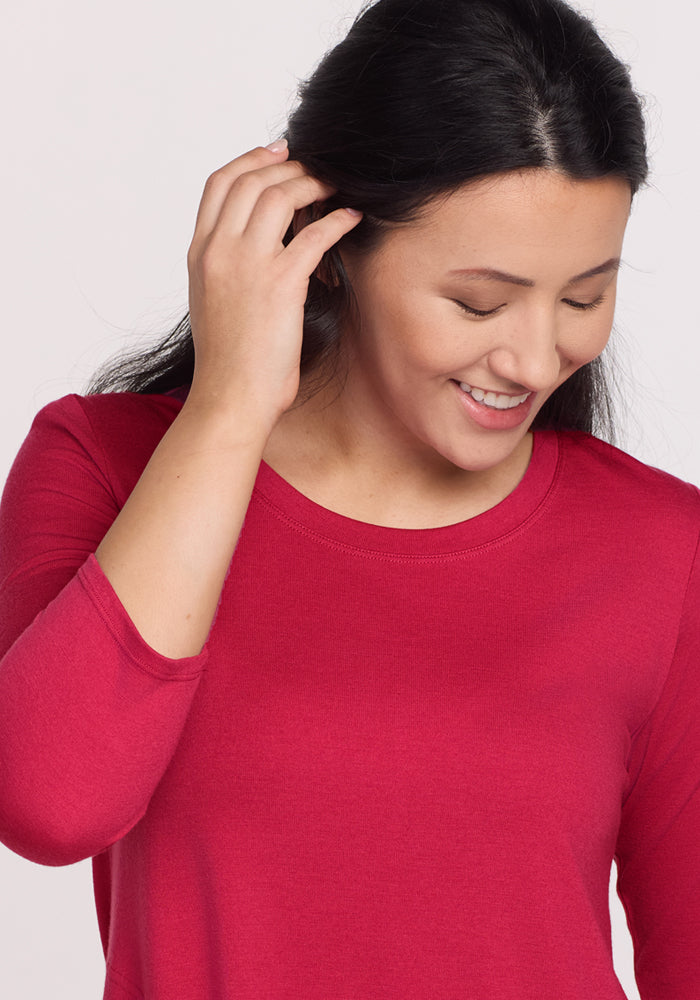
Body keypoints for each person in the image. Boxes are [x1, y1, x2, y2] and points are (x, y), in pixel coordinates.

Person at [0, 0, 697, 996]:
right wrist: (231, 406)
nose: (539, 355)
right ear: (331, 246)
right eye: (479, 302)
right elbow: (48, 805)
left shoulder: (663, 552)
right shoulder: (108, 466)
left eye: (584, 296)